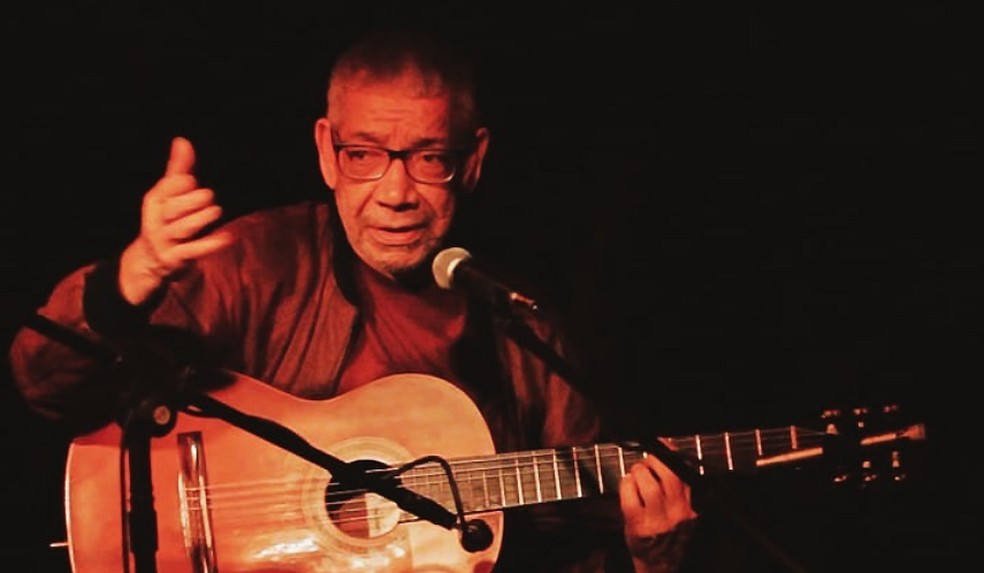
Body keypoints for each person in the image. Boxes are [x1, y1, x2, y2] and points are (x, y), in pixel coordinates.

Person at [8, 27, 699, 572]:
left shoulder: (522, 329)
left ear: (474, 159)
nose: (395, 193)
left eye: (429, 157)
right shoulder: (254, 262)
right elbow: (44, 383)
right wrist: (133, 275)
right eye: (365, 153)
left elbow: (573, 542)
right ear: (327, 152)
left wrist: (651, 561)